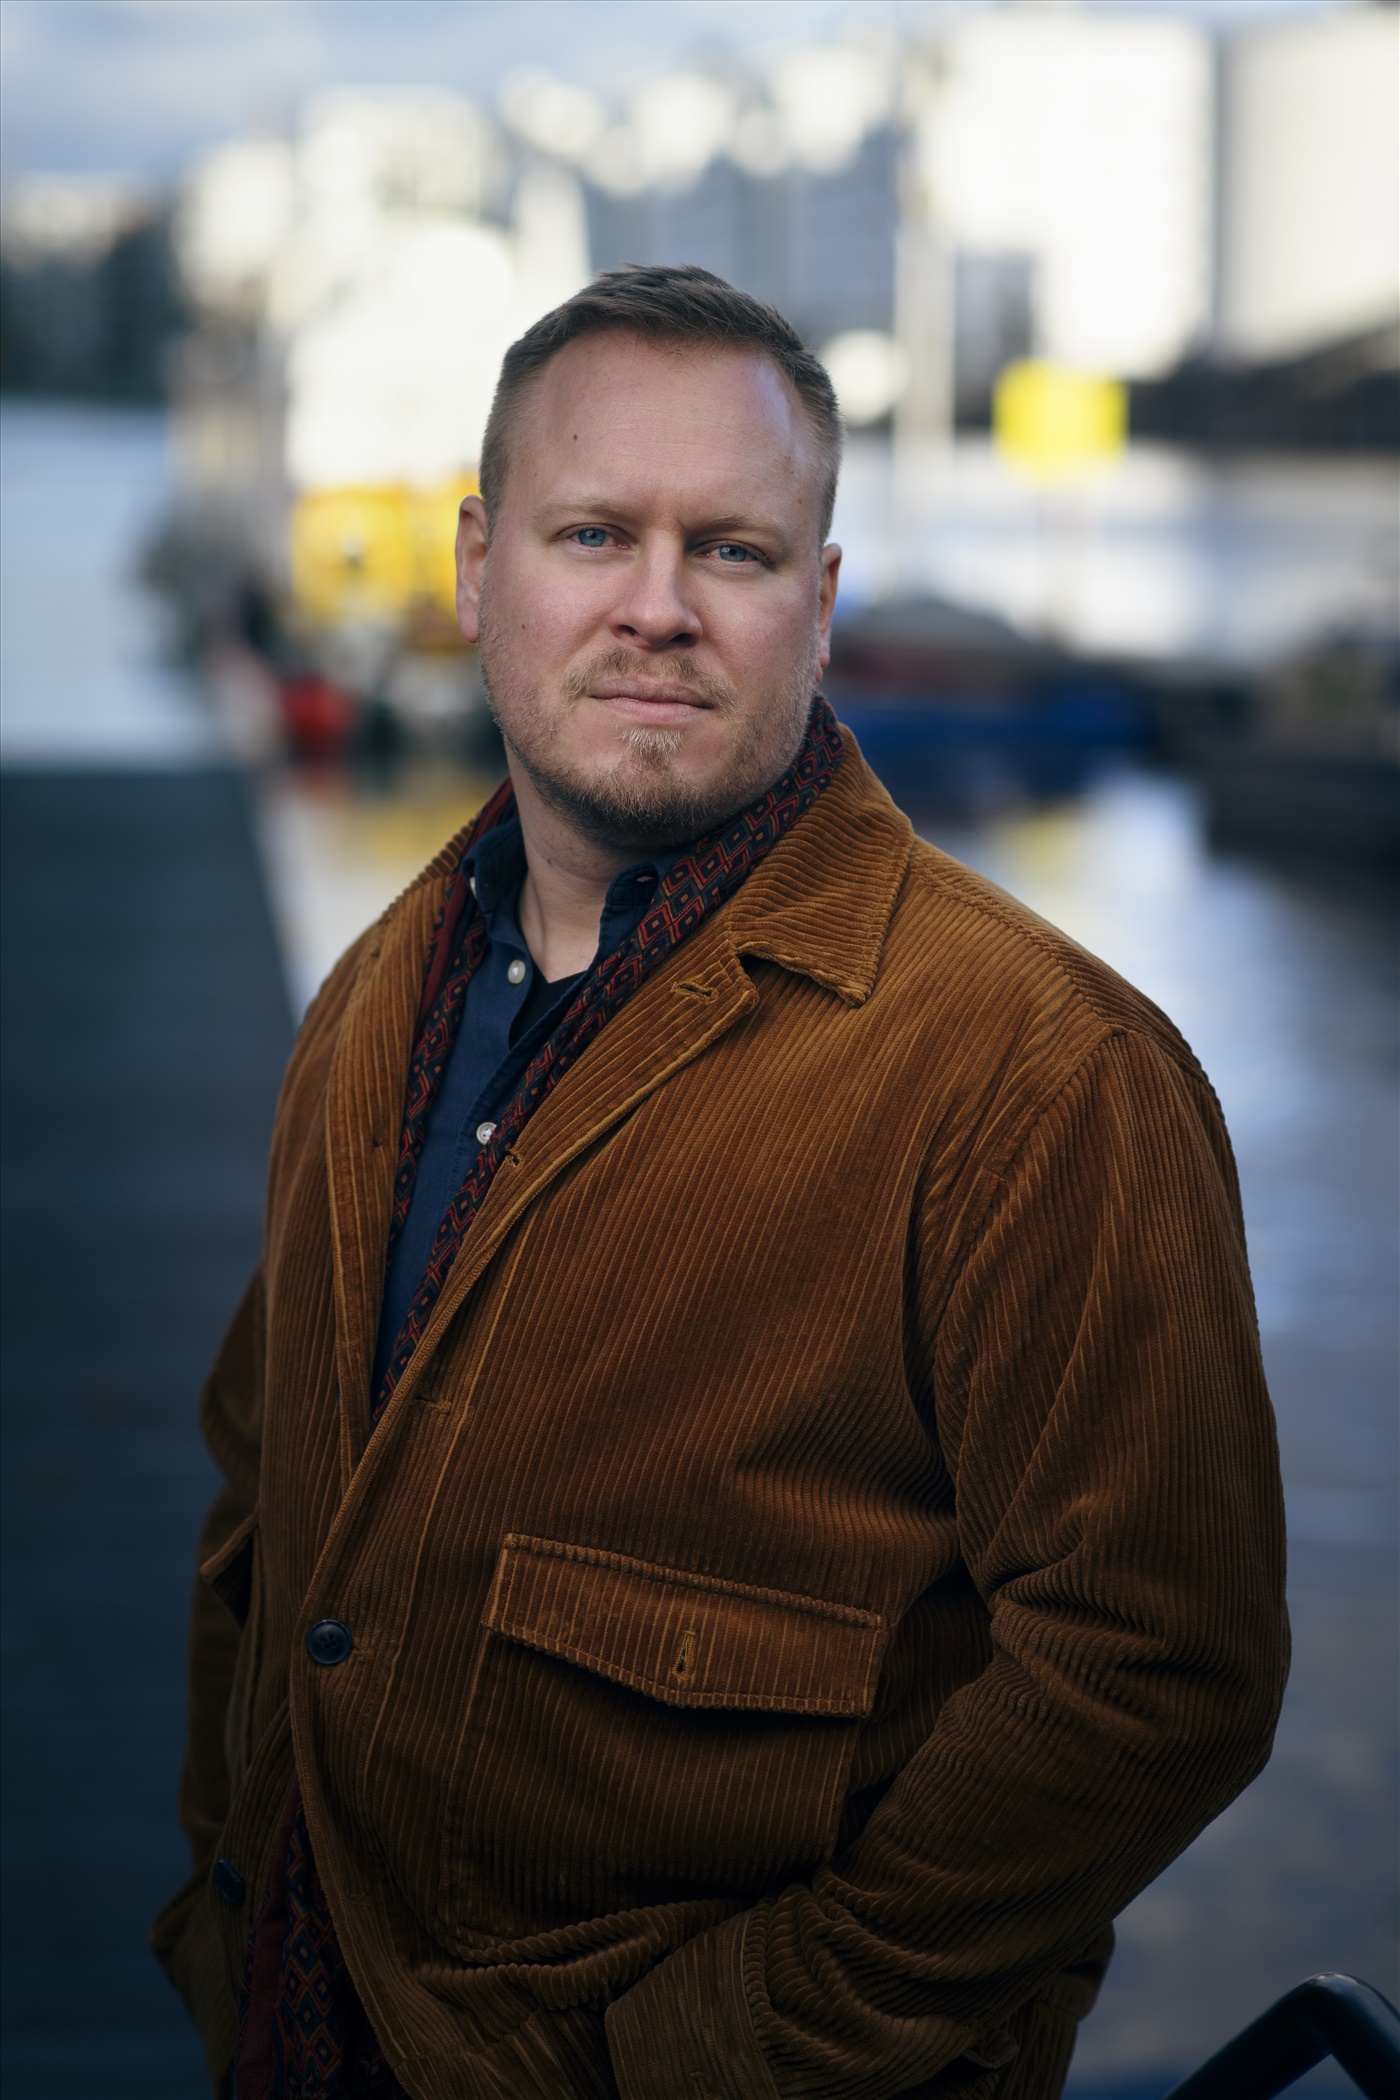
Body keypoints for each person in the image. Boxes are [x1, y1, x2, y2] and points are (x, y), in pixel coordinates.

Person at [152, 265, 1289, 2100]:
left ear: (817, 606)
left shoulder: (1040, 1069)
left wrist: (715, 2055)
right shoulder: (376, 994)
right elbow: (260, 1495)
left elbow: (1162, 1670)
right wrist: (225, 1908)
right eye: (594, 532)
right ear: (477, 567)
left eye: (733, 551)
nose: (658, 607)